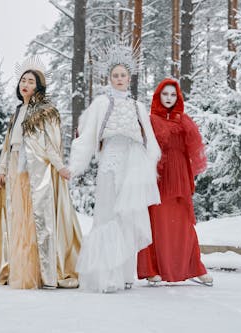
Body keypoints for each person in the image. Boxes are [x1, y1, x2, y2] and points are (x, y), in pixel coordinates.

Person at [0, 58, 82, 289]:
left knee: (34, 220)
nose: (25, 84)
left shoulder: (46, 112)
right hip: (16, 167)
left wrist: (60, 167)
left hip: (36, 172)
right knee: (18, 219)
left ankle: (38, 271)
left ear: (38, 87)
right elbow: (8, 145)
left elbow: (50, 145)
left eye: (31, 81)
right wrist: (2, 169)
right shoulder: (17, 112)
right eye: (23, 80)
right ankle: (19, 267)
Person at [68, 42, 161, 293]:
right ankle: (107, 275)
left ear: (129, 78)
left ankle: (124, 273)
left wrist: (148, 170)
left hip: (132, 163)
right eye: (115, 75)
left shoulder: (137, 106)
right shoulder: (101, 103)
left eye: (123, 75)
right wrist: (75, 167)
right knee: (108, 215)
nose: (119, 79)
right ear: (109, 78)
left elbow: (150, 140)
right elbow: (87, 136)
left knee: (127, 217)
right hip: (110, 159)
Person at [137, 78, 213, 287]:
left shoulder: (184, 120)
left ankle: (195, 267)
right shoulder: (150, 119)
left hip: (179, 175)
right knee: (156, 221)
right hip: (159, 176)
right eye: (165, 94)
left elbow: (192, 150)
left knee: (184, 223)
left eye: (173, 95)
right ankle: (153, 270)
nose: (169, 98)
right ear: (158, 96)